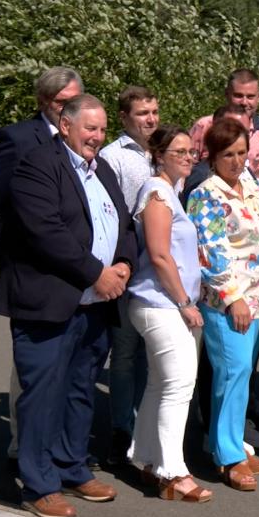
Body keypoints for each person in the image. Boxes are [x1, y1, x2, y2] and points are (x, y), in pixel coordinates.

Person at [0, 94, 135, 517]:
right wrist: (97, 272)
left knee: (79, 391)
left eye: (103, 129)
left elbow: (124, 223)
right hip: (49, 302)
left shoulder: (101, 168)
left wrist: (125, 262)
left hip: (94, 306)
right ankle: (39, 485)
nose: (97, 136)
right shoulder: (38, 163)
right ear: (65, 125)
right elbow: (45, 231)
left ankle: (72, 468)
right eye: (90, 128)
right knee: (42, 395)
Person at [0, 67, 84, 466]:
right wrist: (10, 256)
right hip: (34, 276)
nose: (66, 110)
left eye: (73, 101)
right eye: (60, 103)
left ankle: (60, 448)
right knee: (32, 369)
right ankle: (24, 448)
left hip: (77, 275)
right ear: (43, 102)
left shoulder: (84, 141)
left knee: (69, 370)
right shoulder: (18, 139)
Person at [187, 117, 259, 491]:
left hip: (256, 297)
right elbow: (210, 252)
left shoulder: (251, 185)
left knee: (242, 376)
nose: (237, 160)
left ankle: (230, 441)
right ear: (212, 155)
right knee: (231, 372)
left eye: (242, 153)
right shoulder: (206, 193)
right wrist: (233, 297)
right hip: (228, 301)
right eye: (228, 154)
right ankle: (227, 457)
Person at [126, 125, 212, 502]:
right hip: (160, 305)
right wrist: (185, 303)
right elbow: (159, 255)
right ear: (159, 155)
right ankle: (172, 471)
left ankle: (144, 457)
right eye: (179, 151)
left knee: (160, 385)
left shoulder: (172, 193)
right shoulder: (158, 193)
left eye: (192, 151)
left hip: (163, 304)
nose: (188, 157)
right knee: (179, 386)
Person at [99, 85, 159, 465]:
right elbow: (112, 217)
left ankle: (144, 423)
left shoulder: (164, 149)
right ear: (124, 118)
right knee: (124, 352)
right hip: (128, 266)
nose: (150, 119)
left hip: (159, 270)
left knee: (149, 353)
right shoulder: (113, 157)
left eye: (154, 111)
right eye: (142, 113)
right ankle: (122, 427)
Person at [188, 68, 259, 173]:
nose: (244, 102)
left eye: (250, 97)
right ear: (227, 94)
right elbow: (187, 165)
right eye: (238, 95)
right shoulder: (204, 126)